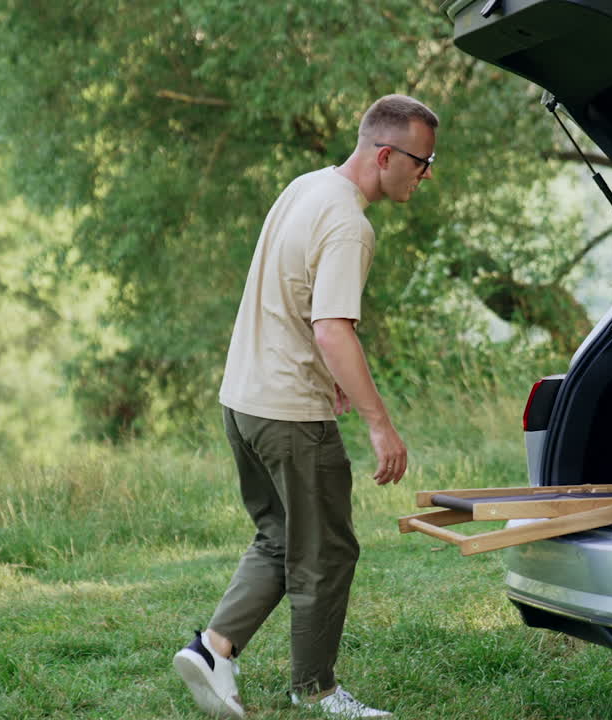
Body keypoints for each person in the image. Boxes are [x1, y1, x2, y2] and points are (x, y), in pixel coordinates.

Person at [172, 94, 439, 719]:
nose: (427, 176)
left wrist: (334, 378)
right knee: (327, 550)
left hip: (243, 401)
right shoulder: (350, 224)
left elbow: (290, 299)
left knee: (281, 534)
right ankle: (316, 688)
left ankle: (214, 649)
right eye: (423, 163)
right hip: (291, 415)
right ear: (385, 155)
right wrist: (381, 425)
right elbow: (331, 328)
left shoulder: (307, 187)